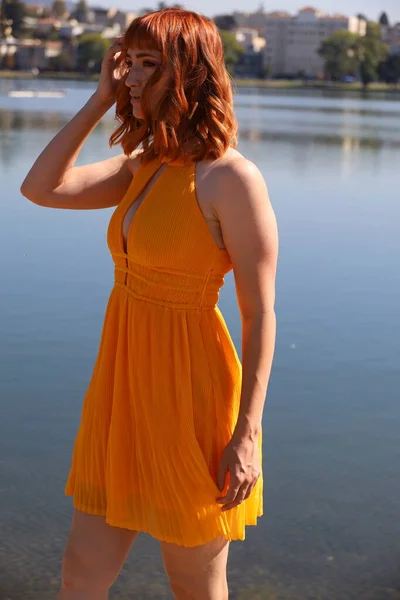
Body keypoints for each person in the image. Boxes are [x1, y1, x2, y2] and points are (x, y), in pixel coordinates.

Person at [20, 7, 278, 600]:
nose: (130, 77)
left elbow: (260, 314)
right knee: (80, 575)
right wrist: (97, 101)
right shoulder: (144, 167)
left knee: (193, 583)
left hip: (192, 398)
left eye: (147, 65)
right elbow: (40, 189)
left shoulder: (229, 178)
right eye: (127, 63)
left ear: (188, 73)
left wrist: (248, 436)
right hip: (121, 390)